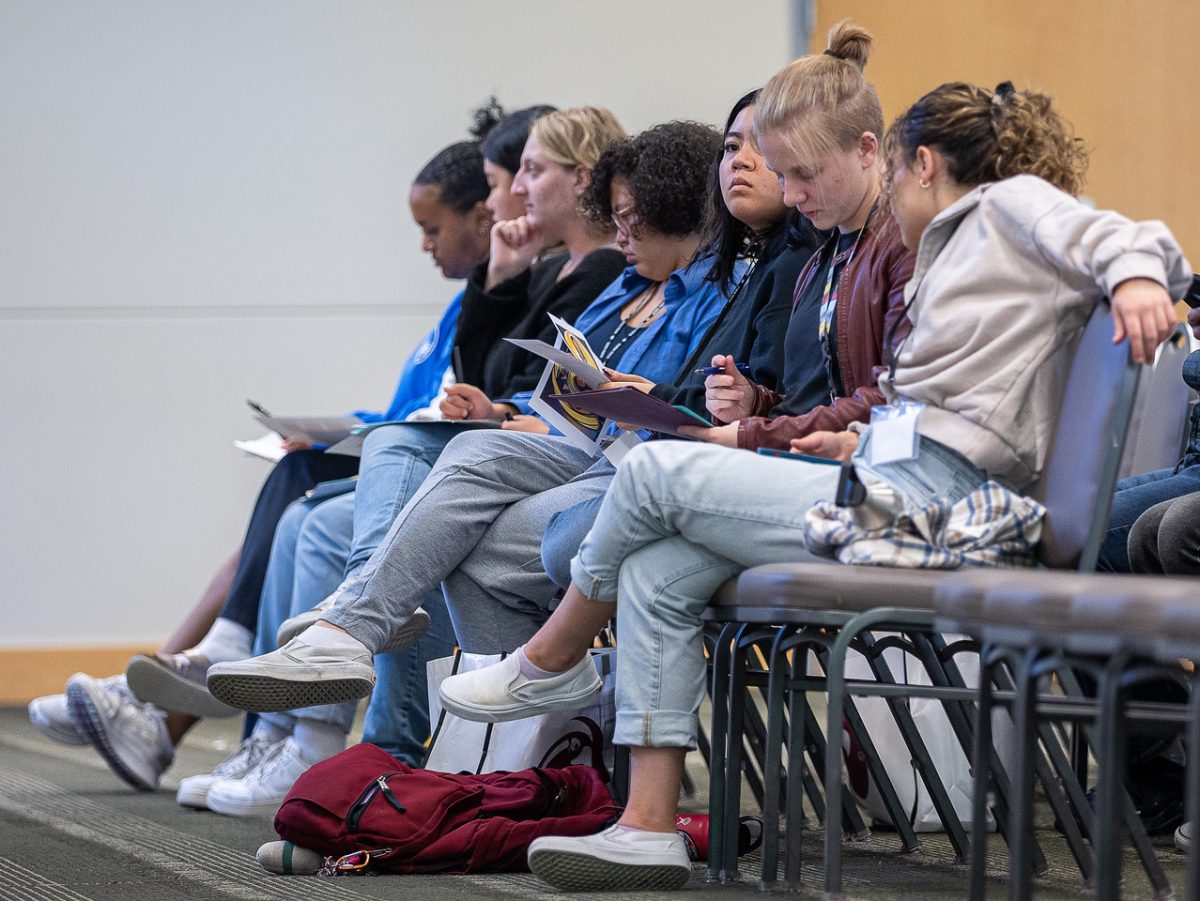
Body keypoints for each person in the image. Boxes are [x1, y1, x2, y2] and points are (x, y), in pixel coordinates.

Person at [456, 44, 1187, 892]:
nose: (792, 192)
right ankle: (647, 825)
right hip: (902, 483)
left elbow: (1137, 240)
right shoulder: (953, 250)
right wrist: (854, 442)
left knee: (653, 476)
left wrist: (1135, 277)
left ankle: (554, 657)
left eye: (802, 171)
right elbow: (943, 405)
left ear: (913, 162)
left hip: (943, 506)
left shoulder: (1003, 206)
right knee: (657, 562)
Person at [201, 119, 739, 713]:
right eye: (614, 212)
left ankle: (361, 631)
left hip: (637, 461)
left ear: (674, 207)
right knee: (432, 487)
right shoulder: (627, 286)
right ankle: (509, 753)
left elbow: (705, 398)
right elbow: (527, 376)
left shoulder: (710, 288)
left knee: (428, 465)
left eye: (630, 213)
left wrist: (587, 404)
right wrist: (515, 402)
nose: (619, 228)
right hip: (577, 446)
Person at [53, 120, 505, 792]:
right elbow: (407, 410)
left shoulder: (496, 305)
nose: (424, 244)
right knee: (294, 499)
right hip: (408, 454)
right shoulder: (465, 306)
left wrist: (343, 432)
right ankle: (212, 706)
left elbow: (443, 415)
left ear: (482, 212)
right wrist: (338, 427)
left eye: (433, 229)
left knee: (302, 506)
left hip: (442, 467)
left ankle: (205, 694)